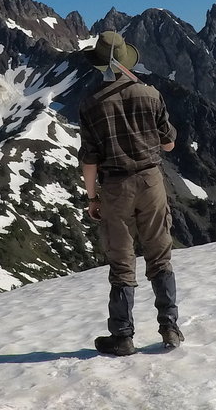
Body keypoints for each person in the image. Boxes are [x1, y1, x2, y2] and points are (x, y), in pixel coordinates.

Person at [78, 30, 183, 356]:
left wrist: (93, 197)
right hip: (151, 183)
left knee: (122, 262)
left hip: (116, 187)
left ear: (99, 65)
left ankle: (122, 335)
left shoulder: (91, 104)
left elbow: (89, 159)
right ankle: (170, 328)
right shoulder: (151, 94)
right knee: (159, 254)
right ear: (126, 60)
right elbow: (168, 143)